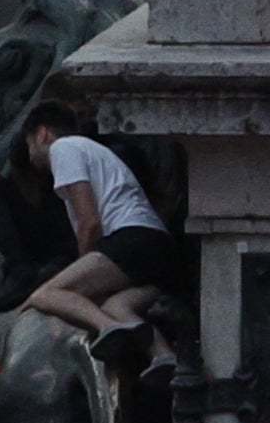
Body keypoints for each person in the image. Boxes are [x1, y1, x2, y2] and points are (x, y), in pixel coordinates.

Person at [10, 109, 192, 370]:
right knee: (115, 305)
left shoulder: (64, 148)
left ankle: (111, 329)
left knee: (45, 295)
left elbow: (89, 222)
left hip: (132, 238)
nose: (30, 156)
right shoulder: (92, 153)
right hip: (160, 249)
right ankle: (163, 356)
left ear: (42, 133)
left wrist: (84, 268)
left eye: (29, 145)